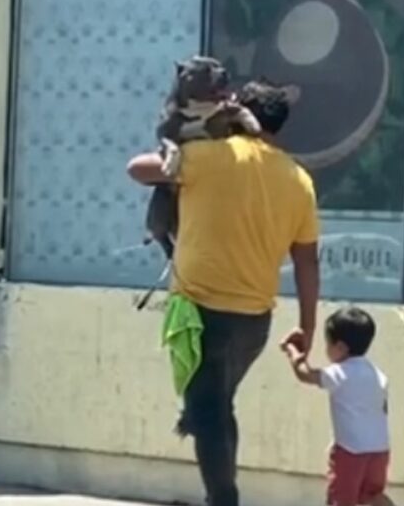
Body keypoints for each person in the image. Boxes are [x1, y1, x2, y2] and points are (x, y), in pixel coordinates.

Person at [126, 81, 321, 506]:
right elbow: (307, 262)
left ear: (236, 113)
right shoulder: (298, 179)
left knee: (208, 413)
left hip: (201, 313)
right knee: (218, 406)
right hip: (254, 321)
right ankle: (221, 495)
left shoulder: (210, 157)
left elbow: (137, 169)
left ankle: (223, 499)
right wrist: (307, 328)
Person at [283, 306, 393, 506]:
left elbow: (304, 374)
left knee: (341, 498)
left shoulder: (340, 373)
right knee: (371, 496)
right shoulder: (378, 375)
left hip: (350, 452)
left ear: (340, 347)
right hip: (380, 450)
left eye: (328, 344)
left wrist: (292, 351)